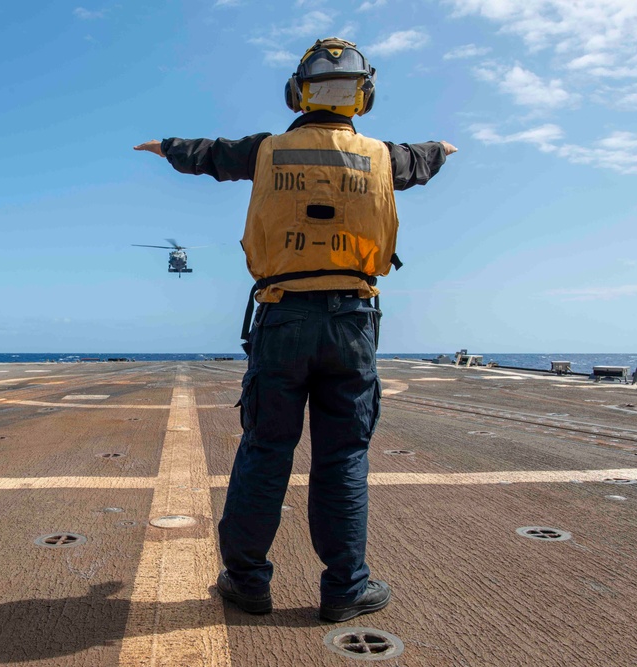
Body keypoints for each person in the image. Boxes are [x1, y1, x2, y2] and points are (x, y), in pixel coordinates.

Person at [135, 37, 456, 623]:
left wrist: (167, 148)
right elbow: (420, 160)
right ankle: (344, 589)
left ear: (296, 93)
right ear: (364, 96)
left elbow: (213, 154)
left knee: (266, 449)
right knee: (342, 458)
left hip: (282, 313)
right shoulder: (383, 155)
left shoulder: (268, 150)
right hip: (354, 320)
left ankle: (248, 581)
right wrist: (442, 148)